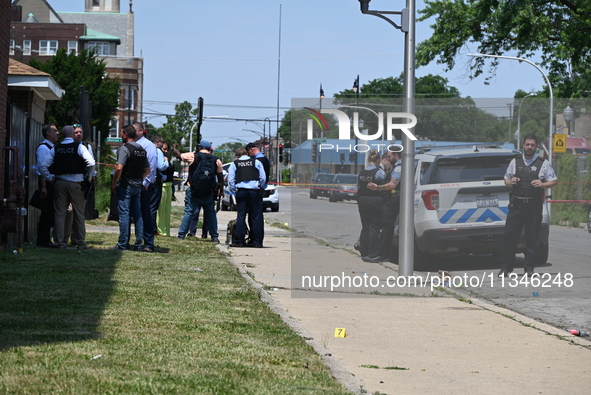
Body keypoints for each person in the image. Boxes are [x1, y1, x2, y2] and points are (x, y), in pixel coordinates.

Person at [499, 133, 557, 278]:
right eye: (527, 144)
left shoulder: (543, 163)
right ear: (523, 146)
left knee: (532, 238)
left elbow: (554, 181)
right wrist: (511, 182)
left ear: (536, 146)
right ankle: (506, 268)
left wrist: (543, 184)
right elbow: (506, 179)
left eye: (532, 145)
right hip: (517, 205)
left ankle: (529, 269)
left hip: (533, 206)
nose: (529, 147)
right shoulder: (515, 162)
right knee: (509, 236)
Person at [39, 125, 95, 249]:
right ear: (72, 134)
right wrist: (89, 178)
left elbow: (43, 166)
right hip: (76, 184)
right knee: (79, 214)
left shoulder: (56, 148)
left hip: (60, 183)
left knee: (60, 214)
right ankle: (80, 242)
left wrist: (49, 177)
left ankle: (60, 242)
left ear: (63, 135)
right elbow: (91, 162)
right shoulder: (79, 147)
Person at [111, 125, 151, 250]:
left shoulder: (124, 148)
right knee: (137, 215)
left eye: (121, 133)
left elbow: (119, 167)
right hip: (138, 185)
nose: (120, 136)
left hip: (126, 184)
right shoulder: (141, 149)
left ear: (126, 134)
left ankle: (123, 244)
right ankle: (138, 243)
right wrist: (139, 179)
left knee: (124, 214)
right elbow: (148, 170)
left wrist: (115, 182)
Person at [177, 140, 224, 243]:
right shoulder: (216, 160)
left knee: (189, 212)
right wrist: (221, 191)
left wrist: (174, 149)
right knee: (211, 213)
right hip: (209, 192)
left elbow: (179, 156)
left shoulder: (193, 156)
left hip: (194, 190)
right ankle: (214, 236)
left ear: (199, 147)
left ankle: (181, 234)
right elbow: (220, 177)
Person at [227, 147, 266, 248]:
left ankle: (240, 241)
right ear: (247, 154)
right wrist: (259, 186)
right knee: (256, 216)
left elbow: (231, 180)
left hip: (241, 191)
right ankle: (257, 242)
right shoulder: (256, 162)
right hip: (254, 191)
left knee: (241, 216)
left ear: (237, 156)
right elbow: (263, 178)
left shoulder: (234, 164)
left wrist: (233, 190)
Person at [367, 150, 402, 262]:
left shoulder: (399, 168)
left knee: (386, 229)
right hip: (391, 200)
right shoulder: (395, 167)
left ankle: (382, 254)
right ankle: (378, 253)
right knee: (386, 228)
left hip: (393, 201)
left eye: (389, 156)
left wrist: (377, 188)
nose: (388, 158)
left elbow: (392, 185)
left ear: (396, 155)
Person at [356, 149, 387, 262]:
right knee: (374, 227)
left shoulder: (361, 172)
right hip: (375, 200)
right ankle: (372, 252)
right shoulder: (379, 172)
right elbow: (386, 181)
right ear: (378, 160)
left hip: (362, 200)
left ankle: (364, 251)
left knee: (365, 227)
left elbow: (358, 186)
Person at [135, 122, 159, 252]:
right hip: (133, 184)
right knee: (135, 214)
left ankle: (149, 243)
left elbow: (152, 165)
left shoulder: (148, 146)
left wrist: (145, 183)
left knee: (146, 214)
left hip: (144, 185)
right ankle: (136, 241)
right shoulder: (132, 144)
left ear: (140, 131)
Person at [34, 124, 59, 248]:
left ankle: (46, 238)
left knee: (50, 212)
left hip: (51, 182)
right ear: (48, 133)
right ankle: (43, 240)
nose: (57, 133)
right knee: (47, 212)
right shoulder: (44, 148)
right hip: (47, 183)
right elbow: (41, 169)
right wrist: (43, 186)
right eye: (55, 131)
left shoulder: (52, 147)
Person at [245, 142, 271, 245]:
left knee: (255, 216)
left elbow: (262, 177)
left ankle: (256, 240)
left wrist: (258, 186)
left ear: (251, 150)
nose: (248, 155)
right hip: (259, 189)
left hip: (257, 189)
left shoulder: (259, 160)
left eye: (248, 152)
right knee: (254, 215)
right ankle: (255, 239)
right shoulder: (264, 159)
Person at [156, 141, 175, 236]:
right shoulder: (161, 160)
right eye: (164, 149)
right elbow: (160, 168)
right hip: (163, 185)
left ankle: (166, 231)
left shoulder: (167, 159)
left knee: (167, 211)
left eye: (167, 149)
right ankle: (159, 229)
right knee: (161, 210)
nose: (166, 151)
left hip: (169, 185)